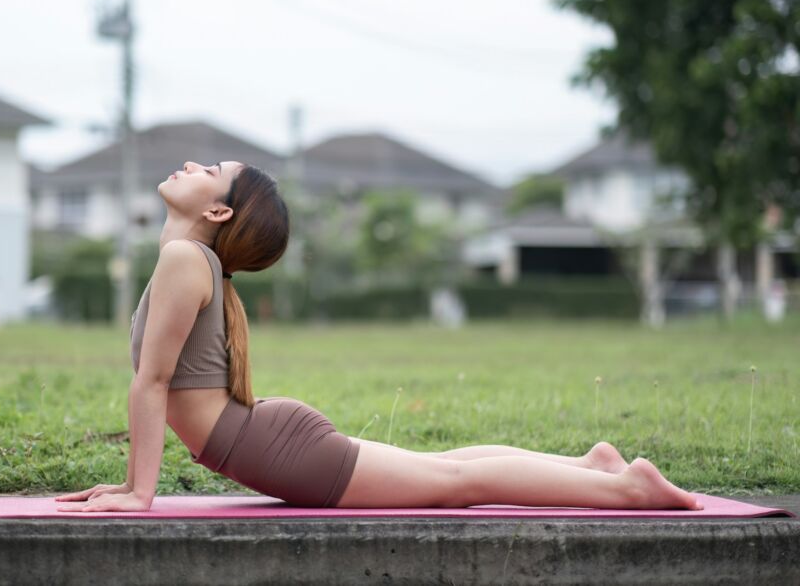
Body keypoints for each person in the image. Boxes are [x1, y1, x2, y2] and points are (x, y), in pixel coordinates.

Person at [55, 161, 703, 512]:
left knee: (454, 485)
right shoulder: (193, 264)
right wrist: (134, 487)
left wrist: (138, 494)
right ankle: (588, 467)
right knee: (442, 471)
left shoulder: (183, 261)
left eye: (211, 169)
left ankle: (623, 489)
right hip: (270, 440)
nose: (191, 164)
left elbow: (154, 382)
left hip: (278, 450)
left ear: (217, 211)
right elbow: (158, 384)